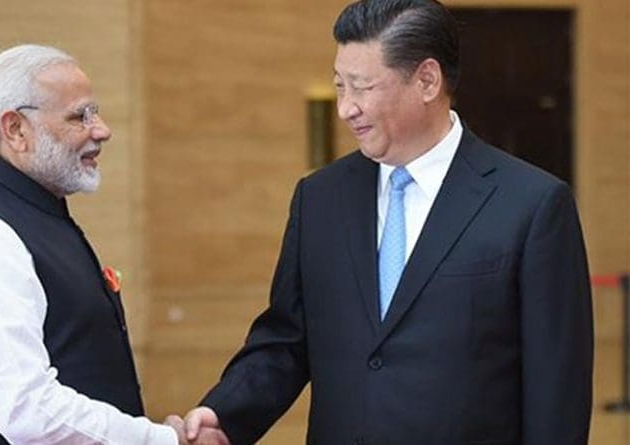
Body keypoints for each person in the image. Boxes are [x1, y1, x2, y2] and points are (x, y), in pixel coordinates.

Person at [181, 1, 594, 444]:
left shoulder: (531, 205)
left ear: (427, 81)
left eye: (362, 88)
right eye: (340, 87)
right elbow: (286, 338)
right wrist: (222, 414)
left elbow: (557, 390)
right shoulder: (320, 198)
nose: (345, 109)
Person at [0, 44, 227, 445]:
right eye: (80, 116)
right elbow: (24, 409)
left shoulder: (37, 214)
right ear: (15, 130)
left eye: (94, 112)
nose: (102, 130)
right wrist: (160, 440)